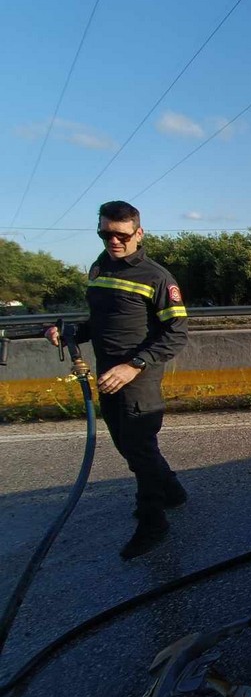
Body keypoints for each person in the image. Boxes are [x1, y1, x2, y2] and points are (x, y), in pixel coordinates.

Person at [47, 201, 189, 559]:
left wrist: (134, 366)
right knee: (128, 445)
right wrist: (71, 333)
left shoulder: (156, 277)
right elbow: (101, 323)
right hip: (108, 371)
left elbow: (176, 333)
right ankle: (172, 490)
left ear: (138, 233)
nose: (113, 241)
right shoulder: (99, 269)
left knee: (139, 449)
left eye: (121, 235)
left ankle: (152, 522)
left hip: (137, 375)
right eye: (105, 233)